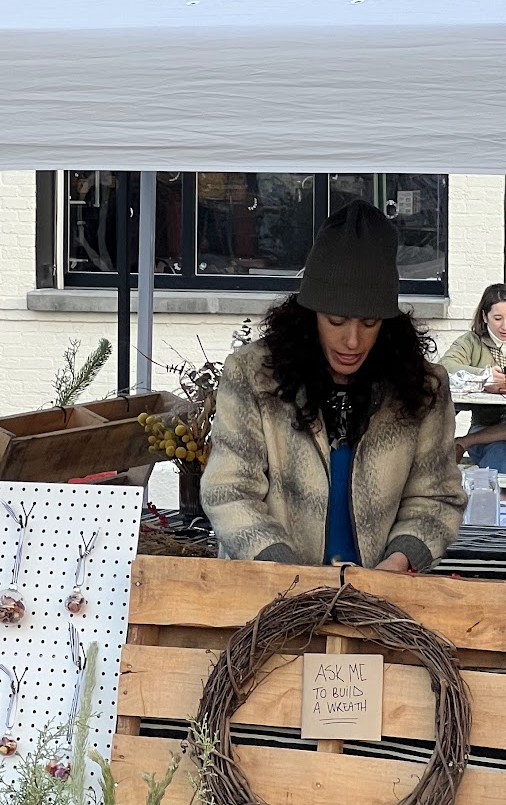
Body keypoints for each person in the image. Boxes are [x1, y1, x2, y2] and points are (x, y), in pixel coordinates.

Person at [203, 200, 465, 572]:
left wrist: (401, 561)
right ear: (309, 315)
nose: (353, 341)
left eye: (370, 323)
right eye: (336, 321)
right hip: (272, 593)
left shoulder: (423, 388)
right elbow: (229, 490)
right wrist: (284, 571)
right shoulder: (253, 374)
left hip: (381, 602)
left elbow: (436, 496)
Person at [439, 285, 506, 468]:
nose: (505, 326)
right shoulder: (471, 342)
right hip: (486, 428)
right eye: (498, 318)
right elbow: (444, 367)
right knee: (500, 459)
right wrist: (484, 377)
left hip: (477, 437)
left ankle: (465, 441)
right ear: (484, 317)